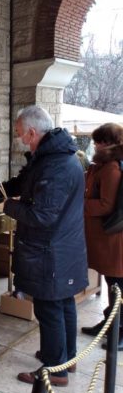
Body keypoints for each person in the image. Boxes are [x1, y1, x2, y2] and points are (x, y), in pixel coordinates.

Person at [0, 106, 87, 387]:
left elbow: (42, 216)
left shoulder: (56, 165)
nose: (20, 139)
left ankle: (55, 370)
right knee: (63, 303)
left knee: (49, 309)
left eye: (20, 134)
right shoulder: (52, 157)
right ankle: (66, 358)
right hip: (62, 248)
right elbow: (24, 182)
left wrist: (9, 206)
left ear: (33, 132)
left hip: (51, 251)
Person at [80, 123, 123, 350]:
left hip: (113, 239)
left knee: (118, 286)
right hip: (105, 238)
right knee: (111, 283)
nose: (95, 145)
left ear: (109, 143)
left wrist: (80, 204)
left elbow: (107, 204)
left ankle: (119, 331)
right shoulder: (102, 165)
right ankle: (109, 324)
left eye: (99, 141)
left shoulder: (111, 168)